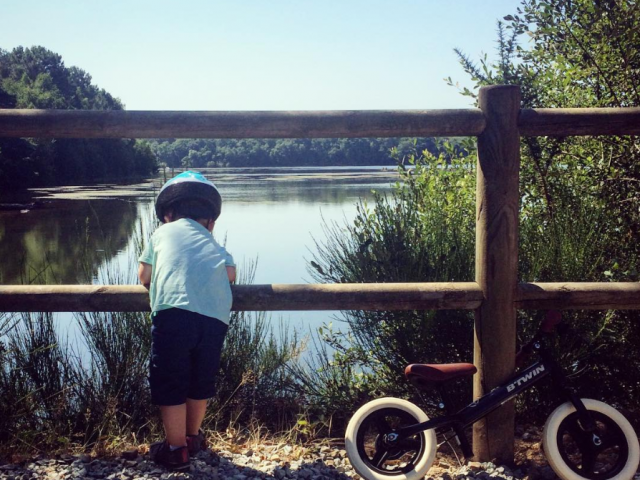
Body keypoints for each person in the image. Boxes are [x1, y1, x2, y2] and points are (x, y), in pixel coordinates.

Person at [138, 171, 236, 471]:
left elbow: (144, 276)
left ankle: (175, 448)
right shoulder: (216, 246)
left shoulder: (160, 234)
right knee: (199, 381)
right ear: (211, 222)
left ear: (167, 215)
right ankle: (193, 438)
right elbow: (230, 275)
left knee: (170, 380)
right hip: (215, 319)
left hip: (173, 314)